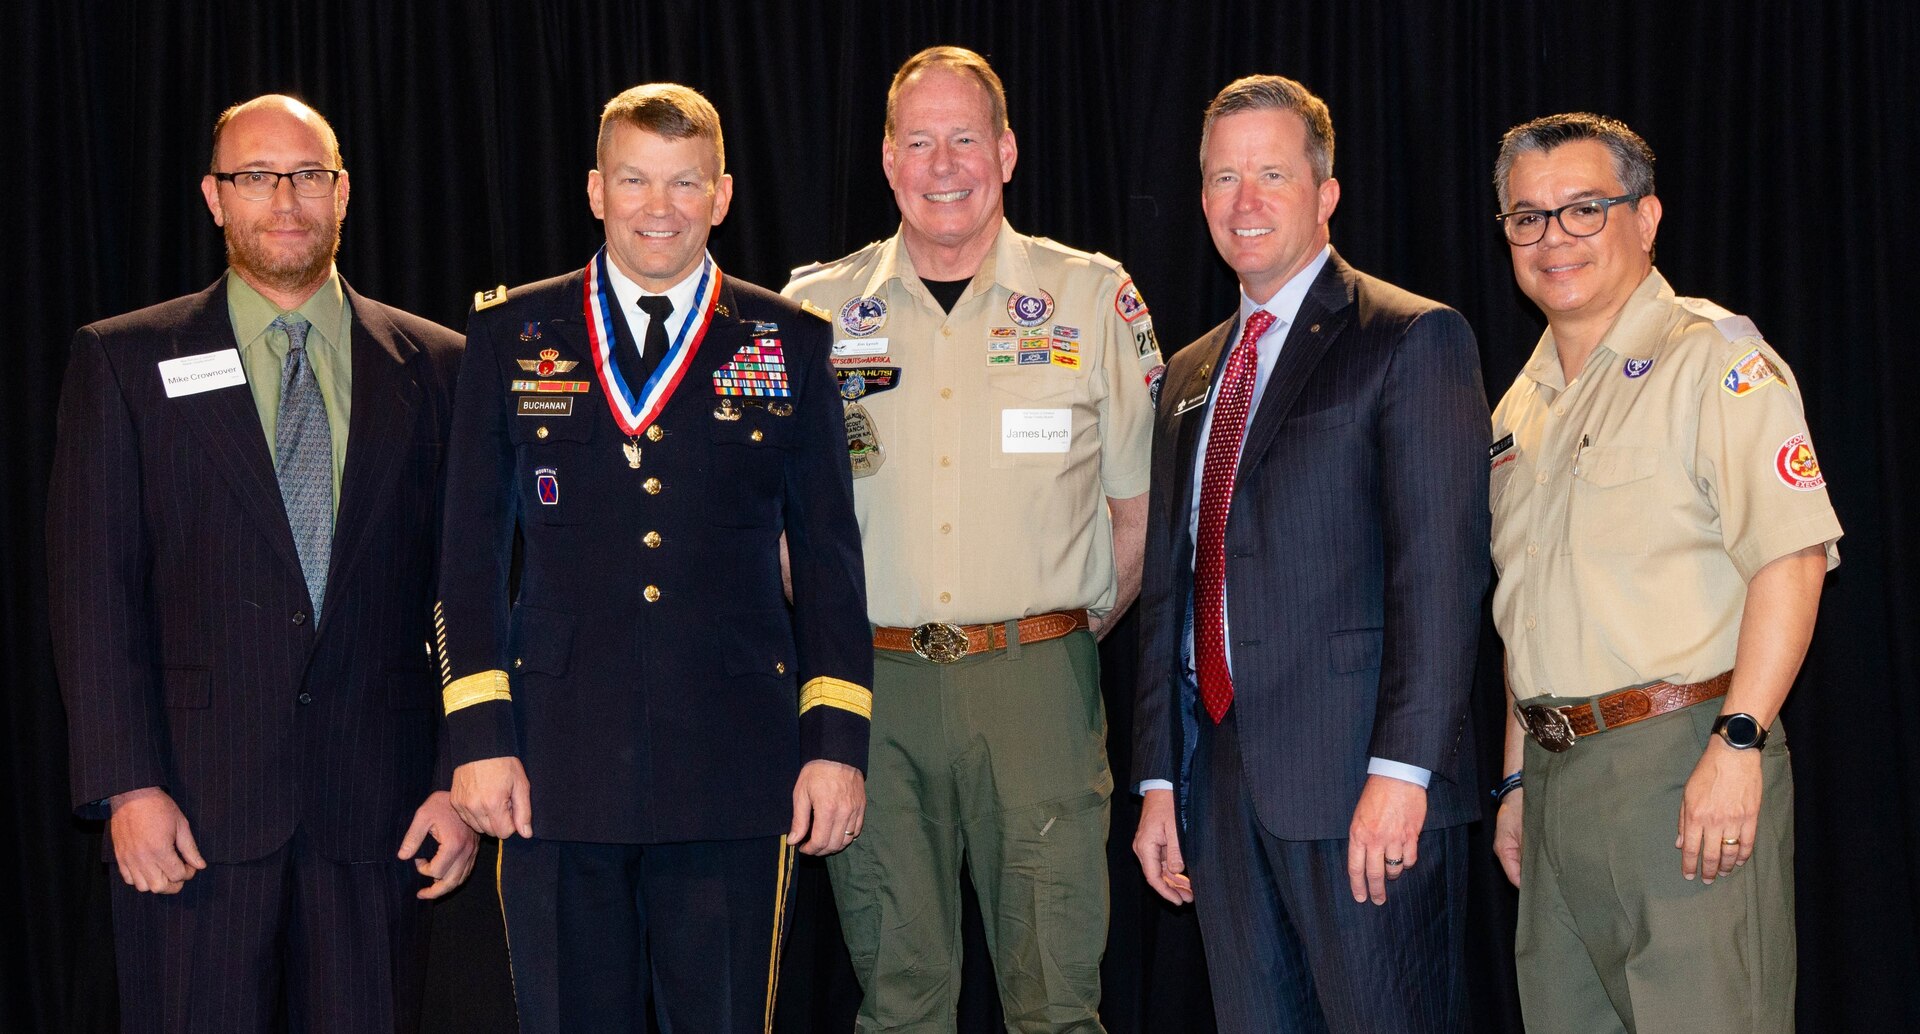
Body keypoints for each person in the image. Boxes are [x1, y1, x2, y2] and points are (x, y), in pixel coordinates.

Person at [435, 83, 871, 1033]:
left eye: (685, 182)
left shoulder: (789, 341)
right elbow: (468, 557)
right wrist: (478, 739)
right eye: (635, 179)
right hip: (555, 763)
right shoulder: (515, 334)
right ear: (596, 190)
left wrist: (836, 747)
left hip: (734, 763)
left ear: (722, 194)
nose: (659, 207)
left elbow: (832, 564)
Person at [46, 94, 474, 1033]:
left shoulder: (441, 367)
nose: (284, 198)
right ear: (214, 197)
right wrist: (128, 784)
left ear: (343, 192)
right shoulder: (124, 363)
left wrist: (458, 774)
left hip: (385, 813)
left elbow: (469, 589)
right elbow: (92, 589)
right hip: (191, 813)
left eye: (308, 174)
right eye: (254, 176)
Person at [783, 45, 1161, 1032]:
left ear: (1007, 150)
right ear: (886, 159)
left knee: (1055, 995)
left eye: (964, 138)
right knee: (898, 993)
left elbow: (1137, 514)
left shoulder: (1090, 297)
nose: (943, 163)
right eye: (919, 141)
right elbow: (771, 514)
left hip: (1035, 676)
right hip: (876, 684)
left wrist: (1061, 633)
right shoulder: (814, 309)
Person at [1130, 75, 1488, 1034]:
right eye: (1222, 178)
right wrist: (1161, 780)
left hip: (1362, 791)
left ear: (1326, 193)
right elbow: (1173, 592)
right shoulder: (1191, 374)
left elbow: (1441, 577)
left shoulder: (1411, 338)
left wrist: (1402, 773)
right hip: (1222, 789)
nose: (1244, 202)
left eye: (1272, 174)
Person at [1485, 112, 1840, 1034]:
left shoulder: (1712, 360)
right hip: (1557, 780)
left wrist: (1738, 744)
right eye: (1527, 217)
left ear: (1646, 219)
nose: (1552, 237)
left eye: (1583, 209)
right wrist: (1519, 784)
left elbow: (1792, 558)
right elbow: (1527, 613)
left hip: (1681, 762)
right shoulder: (1518, 407)